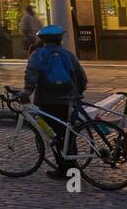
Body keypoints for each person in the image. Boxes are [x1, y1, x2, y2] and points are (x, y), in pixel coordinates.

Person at [22, 24, 88, 180]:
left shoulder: (38, 55)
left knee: (53, 136)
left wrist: (26, 92)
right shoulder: (68, 55)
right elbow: (81, 77)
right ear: (60, 39)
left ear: (43, 40)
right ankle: (72, 166)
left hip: (46, 101)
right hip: (67, 101)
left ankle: (62, 168)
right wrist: (78, 93)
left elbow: (31, 75)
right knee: (67, 134)